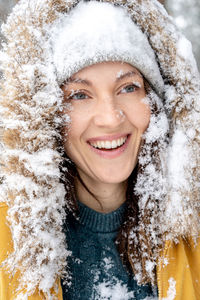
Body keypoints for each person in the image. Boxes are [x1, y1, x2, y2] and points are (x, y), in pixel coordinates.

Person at [0, 0, 199, 299]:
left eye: (129, 88)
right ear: (42, 117)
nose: (110, 118)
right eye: (80, 95)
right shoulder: (8, 239)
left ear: (157, 103)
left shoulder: (193, 224)